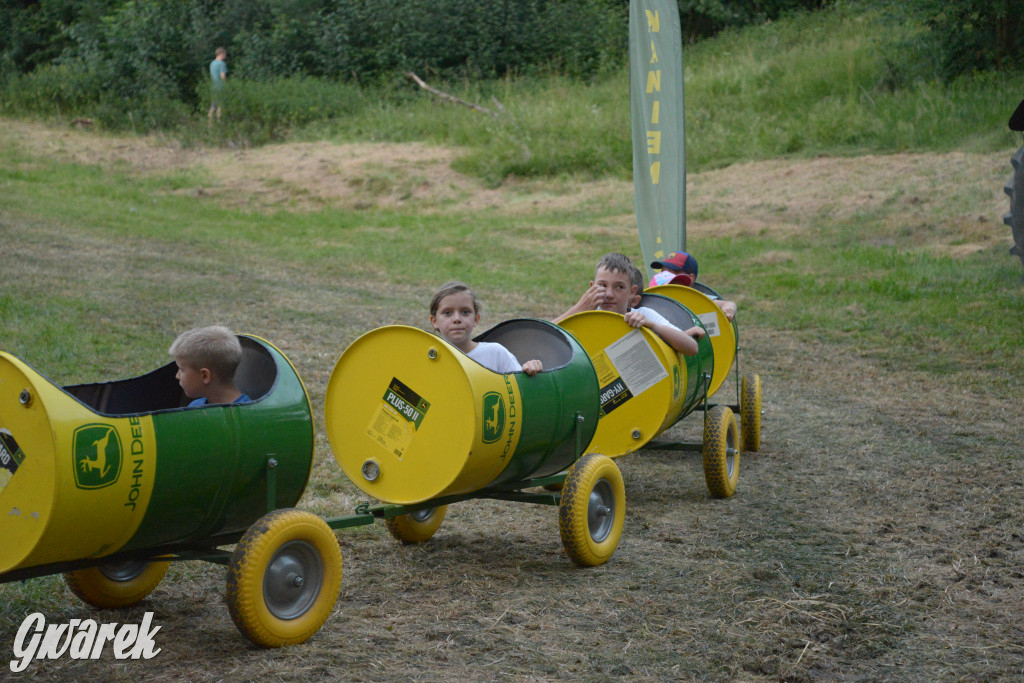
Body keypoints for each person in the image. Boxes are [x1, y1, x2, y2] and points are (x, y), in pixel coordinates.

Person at [554, 252, 700, 356]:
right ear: (592, 286)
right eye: (603, 285)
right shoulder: (583, 315)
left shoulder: (643, 315)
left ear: (632, 291)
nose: (609, 294)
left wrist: (652, 326)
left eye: (619, 287)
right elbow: (540, 335)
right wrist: (579, 309)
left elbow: (692, 348)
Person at [429, 281, 543, 375]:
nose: (457, 319)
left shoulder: (495, 353)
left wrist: (530, 370)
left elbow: (520, 390)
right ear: (434, 321)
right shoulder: (427, 358)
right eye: (448, 313)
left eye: (465, 312)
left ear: (476, 319)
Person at [168, 325, 251, 407]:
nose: (177, 376)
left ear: (205, 375)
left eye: (181, 369)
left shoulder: (195, 411)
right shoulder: (194, 406)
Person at [649, 250, 738, 322]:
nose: (665, 276)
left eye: (673, 271)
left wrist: (729, 308)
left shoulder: (697, 299)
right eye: (663, 272)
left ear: (690, 278)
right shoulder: (655, 299)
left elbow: (726, 304)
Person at [208, 47, 228, 123]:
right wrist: (227, 85)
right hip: (221, 87)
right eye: (225, 54)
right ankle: (219, 123)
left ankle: (210, 123)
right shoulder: (222, 64)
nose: (225, 56)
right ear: (221, 54)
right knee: (220, 106)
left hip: (214, 87)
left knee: (213, 106)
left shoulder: (212, 63)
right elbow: (223, 76)